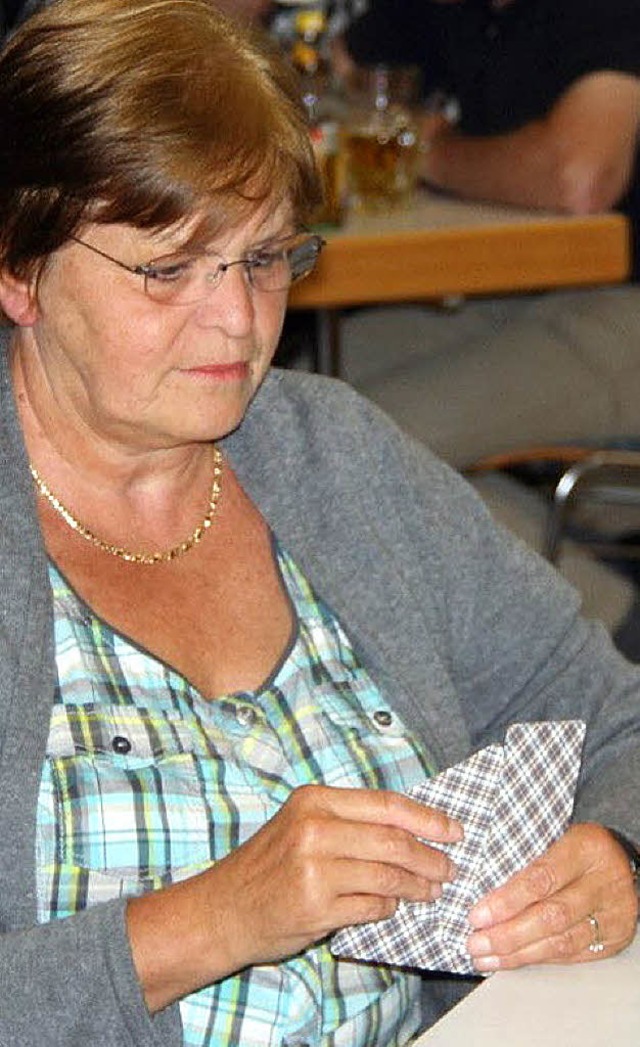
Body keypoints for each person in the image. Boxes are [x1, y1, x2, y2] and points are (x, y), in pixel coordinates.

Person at [0, 1, 638, 1045]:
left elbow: (612, 716)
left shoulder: (329, 456)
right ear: (20, 269)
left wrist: (616, 849)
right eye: (168, 269)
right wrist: (209, 920)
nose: (238, 322)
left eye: (263, 260)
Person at [335, 0, 640, 468]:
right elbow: (335, 74)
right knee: (286, 397)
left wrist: (428, 152)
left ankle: (554, 535)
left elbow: (579, 178)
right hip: (513, 291)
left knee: (349, 442)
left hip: (625, 309)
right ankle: (532, 533)